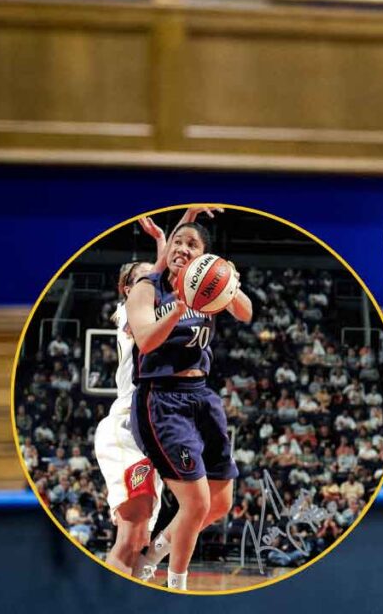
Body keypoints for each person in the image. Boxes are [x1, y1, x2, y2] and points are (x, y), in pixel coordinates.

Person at [126, 217, 253, 590]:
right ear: (168, 250)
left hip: (202, 397)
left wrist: (227, 279)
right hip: (161, 398)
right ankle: (176, 585)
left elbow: (245, 313)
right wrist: (179, 308)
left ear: (203, 254)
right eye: (177, 242)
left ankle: (154, 551)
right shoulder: (147, 290)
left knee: (219, 504)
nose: (183, 248)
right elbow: (147, 341)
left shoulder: (207, 288)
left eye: (192, 244)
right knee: (195, 503)